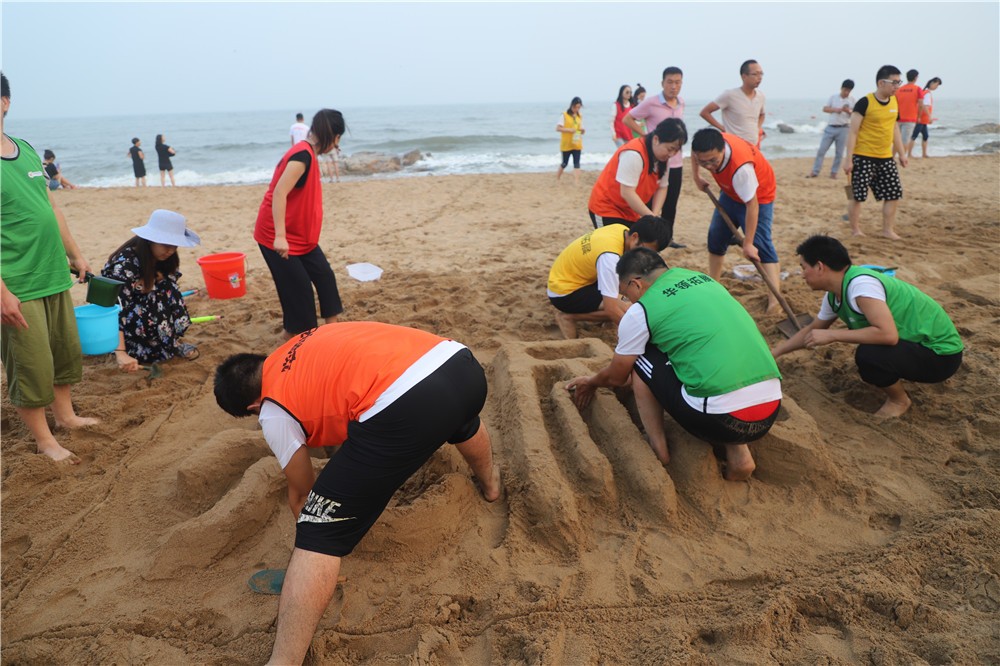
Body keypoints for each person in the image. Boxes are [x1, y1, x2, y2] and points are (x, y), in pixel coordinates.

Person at [213, 321, 502, 665]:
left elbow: (303, 491)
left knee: (317, 526)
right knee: (457, 417)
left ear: (252, 407)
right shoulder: (300, 342)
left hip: (410, 403)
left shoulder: (272, 410)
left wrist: (316, 533)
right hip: (460, 367)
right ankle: (491, 485)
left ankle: (283, 662)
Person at [566, 248, 782, 481]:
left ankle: (658, 446)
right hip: (770, 409)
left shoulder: (641, 311)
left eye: (625, 295)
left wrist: (591, 381)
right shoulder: (703, 279)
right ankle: (739, 454)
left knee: (642, 356)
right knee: (707, 356)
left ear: (636, 284)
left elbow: (617, 377)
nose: (627, 301)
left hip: (721, 420)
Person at [0, 71, 97, 465]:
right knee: (32, 364)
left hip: (52, 272)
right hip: (16, 283)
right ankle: (44, 440)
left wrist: (75, 254)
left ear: (5, 103)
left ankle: (66, 416)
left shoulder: (24, 148)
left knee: (63, 352)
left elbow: (50, 207)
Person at [772, 235, 962, 418]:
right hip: (917, 346)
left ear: (820, 266)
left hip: (941, 356)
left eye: (803, 268)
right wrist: (775, 353)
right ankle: (896, 371)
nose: (802, 275)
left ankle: (899, 401)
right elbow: (812, 330)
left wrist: (833, 335)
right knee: (871, 352)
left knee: (869, 355)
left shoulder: (861, 285)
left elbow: (888, 335)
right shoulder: (834, 294)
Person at [255, 108, 345, 339]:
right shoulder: (302, 155)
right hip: (276, 235)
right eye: (337, 139)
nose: (336, 145)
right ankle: (294, 338)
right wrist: (280, 236)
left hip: (302, 238)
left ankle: (332, 331)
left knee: (325, 276)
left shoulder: (310, 154)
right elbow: (279, 193)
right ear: (332, 136)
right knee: (299, 291)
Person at [690, 127, 782, 314]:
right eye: (703, 162)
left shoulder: (741, 169)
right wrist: (696, 176)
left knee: (761, 245)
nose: (709, 166)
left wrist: (747, 243)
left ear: (722, 149)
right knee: (716, 236)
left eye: (713, 161)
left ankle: (775, 302)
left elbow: (752, 206)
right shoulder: (703, 146)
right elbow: (695, 154)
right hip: (730, 192)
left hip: (759, 196)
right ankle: (714, 286)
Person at [102, 209, 201, 371]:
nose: (170, 251)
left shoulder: (164, 257)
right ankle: (132, 348)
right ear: (150, 240)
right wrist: (120, 353)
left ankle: (167, 343)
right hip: (125, 321)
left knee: (167, 288)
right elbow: (114, 308)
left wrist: (155, 279)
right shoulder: (125, 265)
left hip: (148, 314)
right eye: (166, 244)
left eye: (174, 245)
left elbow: (169, 280)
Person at [548, 215, 672, 339]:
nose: (644, 255)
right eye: (644, 250)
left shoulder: (621, 230)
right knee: (628, 307)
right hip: (564, 293)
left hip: (572, 278)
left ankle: (595, 317)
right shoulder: (609, 256)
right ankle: (569, 317)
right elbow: (611, 309)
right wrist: (642, 337)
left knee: (629, 294)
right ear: (635, 237)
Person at [587, 118, 688, 230]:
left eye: (676, 150)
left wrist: (654, 215)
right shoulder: (634, 154)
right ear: (656, 139)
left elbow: (662, 187)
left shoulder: (663, 158)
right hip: (607, 208)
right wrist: (651, 217)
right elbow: (627, 192)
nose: (672, 154)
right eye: (670, 149)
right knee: (615, 240)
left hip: (632, 210)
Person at [845, 65, 908, 240]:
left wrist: (902, 153)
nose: (897, 86)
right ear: (881, 83)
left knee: (893, 193)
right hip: (863, 156)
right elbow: (853, 132)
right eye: (894, 82)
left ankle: (888, 230)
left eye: (899, 82)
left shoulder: (894, 102)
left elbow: (894, 128)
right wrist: (848, 159)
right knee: (857, 196)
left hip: (886, 157)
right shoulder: (865, 102)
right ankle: (855, 230)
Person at [623, 67, 686, 228]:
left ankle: (667, 236)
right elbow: (628, 119)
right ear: (662, 83)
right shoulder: (651, 103)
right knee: (650, 201)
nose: (674, 86)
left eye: (677, 82)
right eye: (670, 82)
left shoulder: (681, 103)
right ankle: (649, 232)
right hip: (655, 161)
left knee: (671, 202)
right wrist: (646, 136)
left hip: (676, 162)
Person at [700, 60, 766, 147]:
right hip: (734, 145)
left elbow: (762, 114)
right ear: (744, 76)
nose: (759, 77)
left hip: (753, 145)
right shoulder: (730, 95)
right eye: (755, 74)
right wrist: (723, 128)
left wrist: (757, 128)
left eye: (761, 74)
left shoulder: (760, 96)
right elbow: (705, 112)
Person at [807, 79, 856, 179]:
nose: (846, 92)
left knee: (839, 153)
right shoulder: (833, 97)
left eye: (849, 90)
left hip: (844, 128)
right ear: (841, 88)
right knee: (821, 150)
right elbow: (825, 108)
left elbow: (855, 114)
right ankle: (815, 171)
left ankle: (834, 173)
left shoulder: (852, 100)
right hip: (831, 126)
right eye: (845, 90)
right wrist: (835, 110)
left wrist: (848, 111)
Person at [907, 77, 941, 159]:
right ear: (932, 83)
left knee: (925, 136)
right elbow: (925, 106)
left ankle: (924, 154)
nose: (937, 87)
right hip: (921, 119)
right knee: (914, 136)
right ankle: (909, 154)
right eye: (937, 85)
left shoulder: (924, 92)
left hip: (923, 119)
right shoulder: (927, 93)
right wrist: (930, 117)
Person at [556, 97, 585, 184]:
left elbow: (580, 129)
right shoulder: (564, 115)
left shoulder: (579, 116)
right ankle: (557, 178)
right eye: (575, 107)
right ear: (571, 105)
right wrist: (569, 130)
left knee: (577, 163)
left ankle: (576, 181)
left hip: (577, 143)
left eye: (579, 107)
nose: (577, 109)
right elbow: (558, 128)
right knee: (564, 163)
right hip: (566, 144)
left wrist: (582, 131)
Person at [895, 69, 922, 156]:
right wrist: (919, 117)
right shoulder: (917, 89)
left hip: (898, 118)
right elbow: (921, 104)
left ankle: (892, 157)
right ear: (915, 77)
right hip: (910, 118)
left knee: (896, 140)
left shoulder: (899, 89)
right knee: (905, 140)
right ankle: (902, 157)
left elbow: (894, 103)